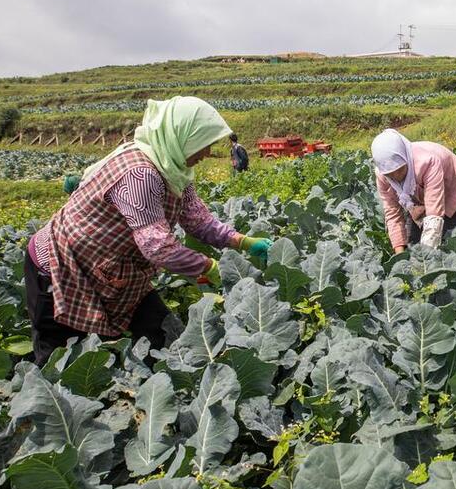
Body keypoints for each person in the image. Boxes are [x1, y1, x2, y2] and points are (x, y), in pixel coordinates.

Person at [23, 97, 272, 364]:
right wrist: (208, 266)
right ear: (182, 137)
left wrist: (243, 242)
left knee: (163, 334)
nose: (208, 153)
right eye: (204, 144)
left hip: (114, 271)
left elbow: (199, 221)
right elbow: (159, 248)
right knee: (59, 359)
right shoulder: (141, 174)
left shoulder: (173, 169)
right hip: (59, 268)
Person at [371, 128, 456, 252]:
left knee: (449, 239)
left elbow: (434, 214)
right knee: (413, 240)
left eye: (400, 170)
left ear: (406, 158)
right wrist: (399, 254)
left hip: (451, 184)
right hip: (418, 195)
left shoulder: (427, 162)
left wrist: (425, 261)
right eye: (391, 174)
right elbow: (392, 214)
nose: (397, 177)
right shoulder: (382, 175)